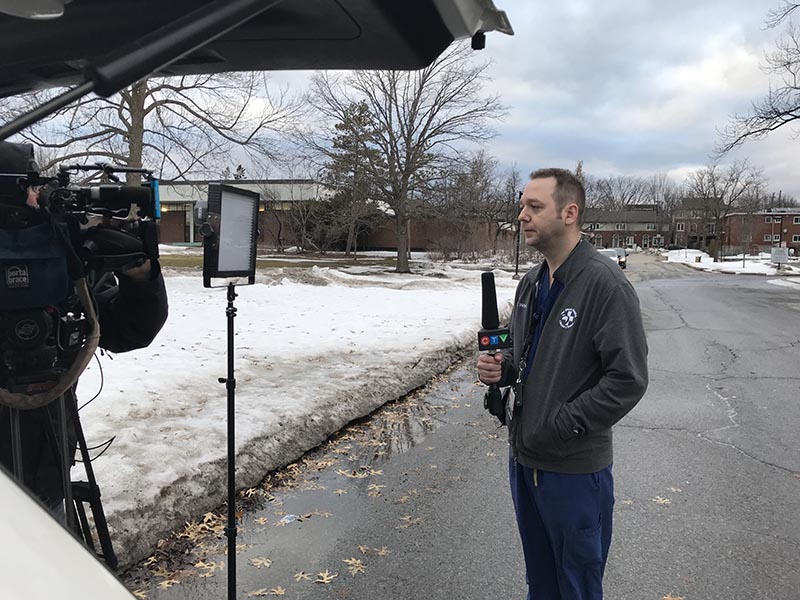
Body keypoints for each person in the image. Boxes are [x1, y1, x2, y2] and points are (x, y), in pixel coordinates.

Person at [477, 168, 648, 599]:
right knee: (542, 583)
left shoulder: (605, 286)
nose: (522, 216)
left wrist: (562, 424)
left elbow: (627, 380)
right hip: (525, 460)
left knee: (576, 586)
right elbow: (523, 355)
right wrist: (504, 369)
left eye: (535, 207)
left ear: (569, 213)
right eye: (522, 206)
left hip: (573, 471)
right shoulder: (531, 283)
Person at [0, 140, 169, 518]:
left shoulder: (57, 254)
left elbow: (128, 331)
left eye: (33, 189)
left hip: (45, 473)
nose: (32, 200)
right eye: (26, 189)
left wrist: (140, 276)